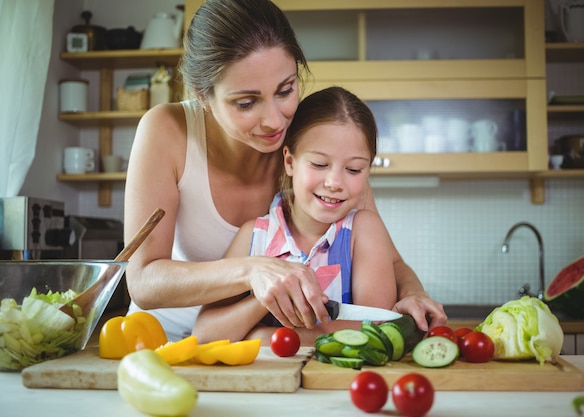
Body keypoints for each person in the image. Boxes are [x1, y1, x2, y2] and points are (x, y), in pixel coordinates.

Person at [124, 0, 446, 342]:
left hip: (261, 350)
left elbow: (390, 261)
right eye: (246, 103)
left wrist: (413, 293)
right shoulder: (167, 130)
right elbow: (143, 280)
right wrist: (255, 269)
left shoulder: (314, 149)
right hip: (160, 340)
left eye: (285, 90)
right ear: (203, 95)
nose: (275, 121)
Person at [193, 86, 397, 345]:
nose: (335, 182)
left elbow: (375, 330)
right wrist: (263, 300)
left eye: (354, 169)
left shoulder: (364, 232)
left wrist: (260, 336)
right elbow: (204, 334)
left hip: (336, 383)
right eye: (319, 164)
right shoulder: (254, 236)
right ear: (289, 161)